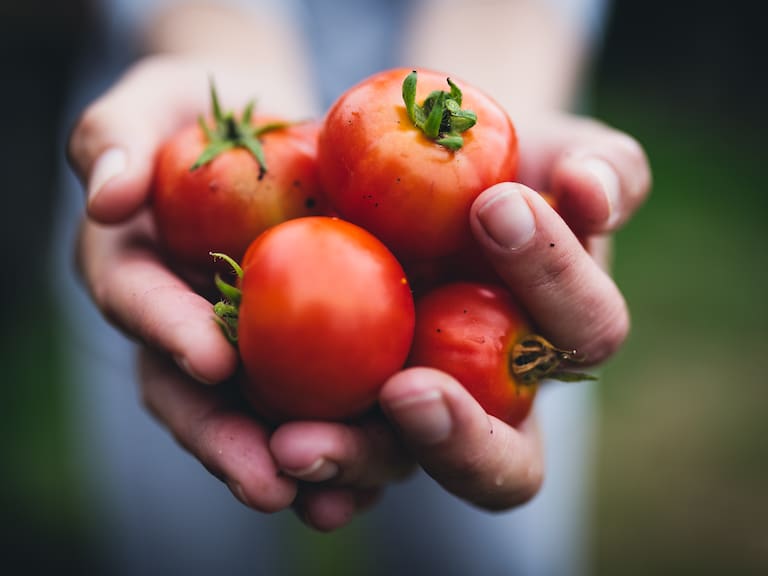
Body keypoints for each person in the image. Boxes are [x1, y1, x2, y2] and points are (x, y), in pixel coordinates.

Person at [60, 0, 650, 573]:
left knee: (482, 555)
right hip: (181, 161)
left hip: (480, 98)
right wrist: (215, 44)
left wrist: (503, 71)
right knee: (183, 548)